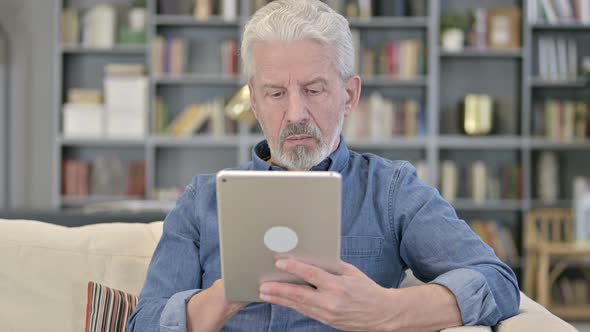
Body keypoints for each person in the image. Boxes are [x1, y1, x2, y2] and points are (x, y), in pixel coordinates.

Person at [128, 1, 520, 331]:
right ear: (254, 100)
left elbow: (496, 281)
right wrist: (225, 295)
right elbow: (143, 321)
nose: (296, 113)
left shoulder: (392, 191)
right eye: (276, 93)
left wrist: (384, 310)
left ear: (349, 95)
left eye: (313, 90)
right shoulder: (201, 201)